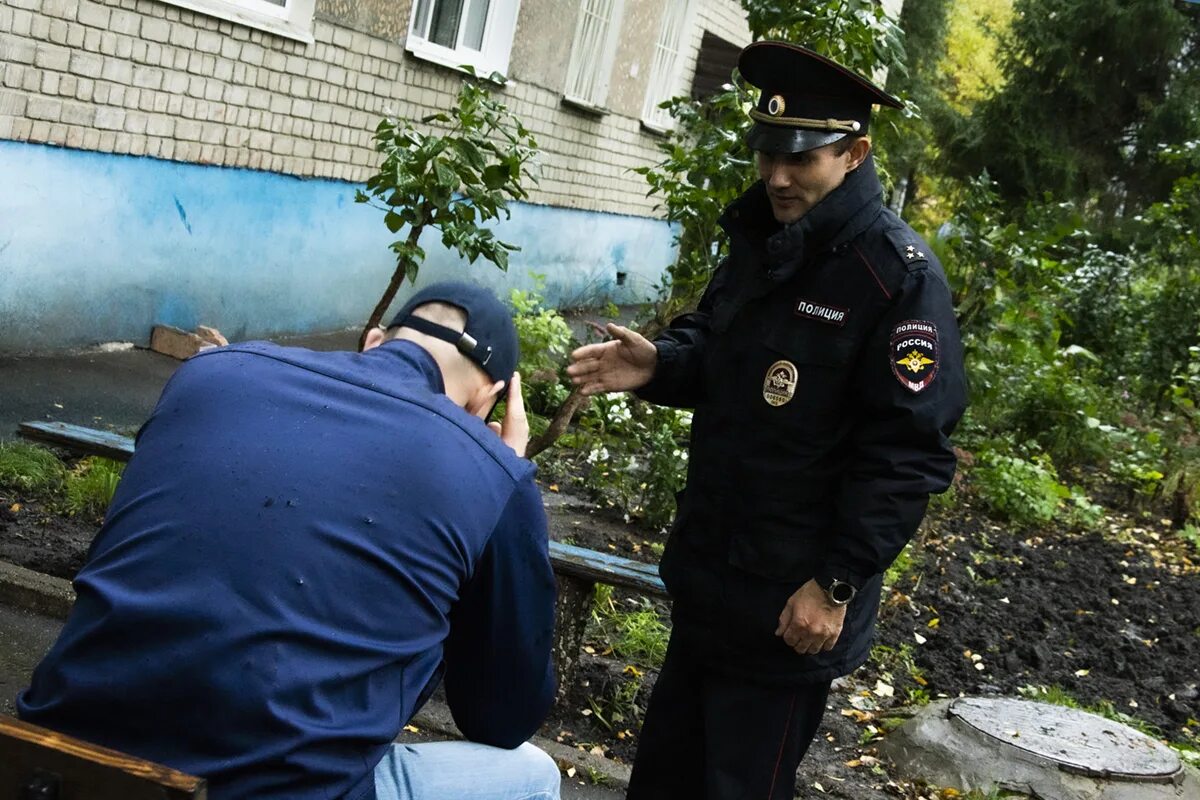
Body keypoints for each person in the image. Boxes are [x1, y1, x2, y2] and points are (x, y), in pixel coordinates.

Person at [568, 41, 968, 799]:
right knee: (662, 781)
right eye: (766, 153)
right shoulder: (764, 240)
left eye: (801, 159)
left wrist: (836, 585)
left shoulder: (895, 278)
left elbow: (907, 455)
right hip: (710, 579)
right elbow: (718, 346)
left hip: (791, 610)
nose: (777, 176)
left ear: (853, 154)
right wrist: (661, 365)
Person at [18, 282, 561, 800]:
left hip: (52, 760)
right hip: (268, 792)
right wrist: (504, 472)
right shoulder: (492, 469)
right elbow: (500, 718)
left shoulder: (207, 373)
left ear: (374, 340)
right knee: (531, 774)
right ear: (489, 398)